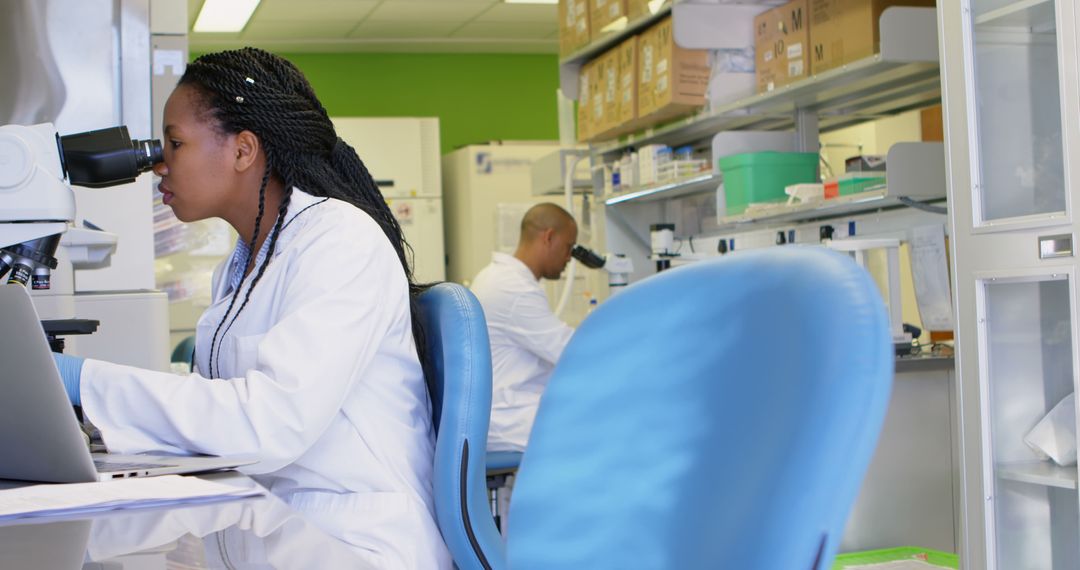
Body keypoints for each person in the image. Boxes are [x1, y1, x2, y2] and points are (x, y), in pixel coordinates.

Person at [51, 47, 451, 569]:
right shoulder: (242, 265)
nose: (157, 165)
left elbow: (268, 424)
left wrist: (84, 381)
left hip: (353, 541)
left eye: (174, 143)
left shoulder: (340, 240)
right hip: (273, 529)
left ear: (243, 150)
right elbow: (227, 420)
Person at [470, 203, 578, 452]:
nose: (569, 258)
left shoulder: (496, 276)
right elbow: (570, 353)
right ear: (549, 237)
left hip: (503, 408)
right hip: (507, 417)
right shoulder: (514, 288)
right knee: (599, 432)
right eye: (568, 247)